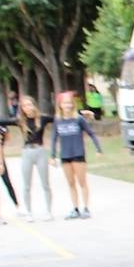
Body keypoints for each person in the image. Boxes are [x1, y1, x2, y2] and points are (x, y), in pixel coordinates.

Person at [51, 91, 102, 219]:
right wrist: (52, 155)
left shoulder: (78, 119)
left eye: (69, 103)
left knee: (82, 182)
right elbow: (53, 138)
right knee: (71, 183)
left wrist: (98, 149)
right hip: (65, 155)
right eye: (64, 103)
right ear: (60, 105)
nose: (67, 105)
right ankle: (75, 208)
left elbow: (91, 133)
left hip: (78, 154)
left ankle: (86, 208)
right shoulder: (58, 120)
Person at [16, 95, 55, 220]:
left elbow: (59, 118)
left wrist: (82, 113)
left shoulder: (42, 118)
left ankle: (48, 211)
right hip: (27, 152)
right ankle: (29, 212)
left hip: (40, 151)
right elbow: (1, 122)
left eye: (29, 105)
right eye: (24, 106)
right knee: (26, 184)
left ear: (34, 105)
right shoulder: (20, 120)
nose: (27, 108)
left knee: (45, 183)